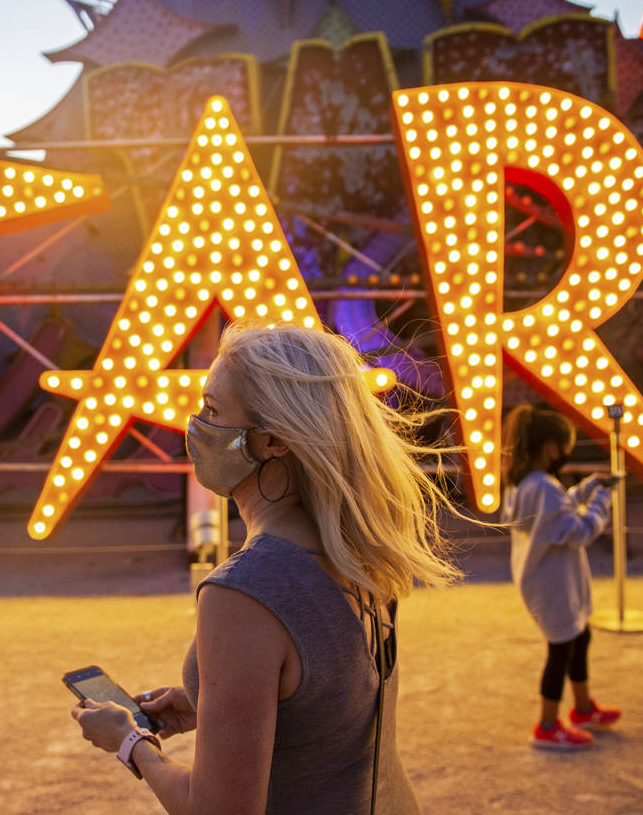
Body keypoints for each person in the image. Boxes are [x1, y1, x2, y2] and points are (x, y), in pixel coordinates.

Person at [71, 322, 459, 813]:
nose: (195, 426)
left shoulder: (245, 593)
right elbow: (336, 702)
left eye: (212, 410)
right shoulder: (360, 551)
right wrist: (212, 705)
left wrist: (131, 743)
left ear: (273, 441)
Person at [501, 404, 622, 751]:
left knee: (580, 637)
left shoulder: (525, 481)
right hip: (553, 584)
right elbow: (579, 530)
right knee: (561, 649)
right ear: (552, 447)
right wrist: (601, 500)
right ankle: (547, 725)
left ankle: (583, 709)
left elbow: (552, 516)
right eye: (565, 445)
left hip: (547, 579)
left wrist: (585, 489)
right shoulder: (544, 487)